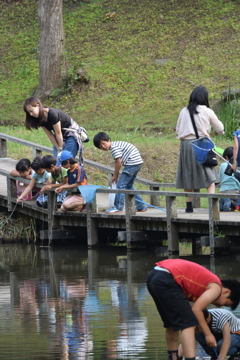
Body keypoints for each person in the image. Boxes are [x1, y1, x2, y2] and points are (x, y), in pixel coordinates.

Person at [146, 258, 240, 360]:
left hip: (154, 276)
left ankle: (173, 357)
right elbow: (196, 309)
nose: (219, 306)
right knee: (189, 324)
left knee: (171, 324)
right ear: (226, 292)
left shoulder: (204, 286)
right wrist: (208, 334)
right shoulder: (216, 287)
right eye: (225, 303)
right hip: (168, 277)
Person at [176, 86, 224, 213]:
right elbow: (220, 128)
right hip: (202, 144)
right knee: (209, 174)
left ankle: (189, 207)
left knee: (187, 173)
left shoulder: (183, 111)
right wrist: (218, 132)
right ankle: (212, 205)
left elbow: (178, 130)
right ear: (204, 97)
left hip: (186, 144)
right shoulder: (206, 110)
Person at [23, 96, 89, 165]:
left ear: (38, 105)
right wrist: (58, 148)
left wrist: (60, 149)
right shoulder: (39, 118)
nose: (31, 114)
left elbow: (58, 133)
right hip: (59, 137)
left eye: (31, 111)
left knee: (65, 163)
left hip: (71, 135)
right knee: (56, 163)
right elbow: (50, 135)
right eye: (29, 112)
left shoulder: (52, 114)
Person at [93, 132, 147, 213]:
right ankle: (141, 206)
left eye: (103, 143)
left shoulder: (114, 147)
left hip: (132, 163)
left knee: (120, 185)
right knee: (128, 186)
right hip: (137, 163)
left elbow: (118, 162)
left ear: (108, 140)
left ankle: (118, 207)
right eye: (100, 146)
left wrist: (115, 175)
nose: (103, 147)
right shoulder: (116, 145)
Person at [219, 147, 240, 211]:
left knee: (222, 206)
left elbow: (220, 178)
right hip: (236, 192)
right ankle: (234, 204)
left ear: (226, 157)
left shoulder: (222, 165)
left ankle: (227, 205)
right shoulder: (237, 166)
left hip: (224, 192)